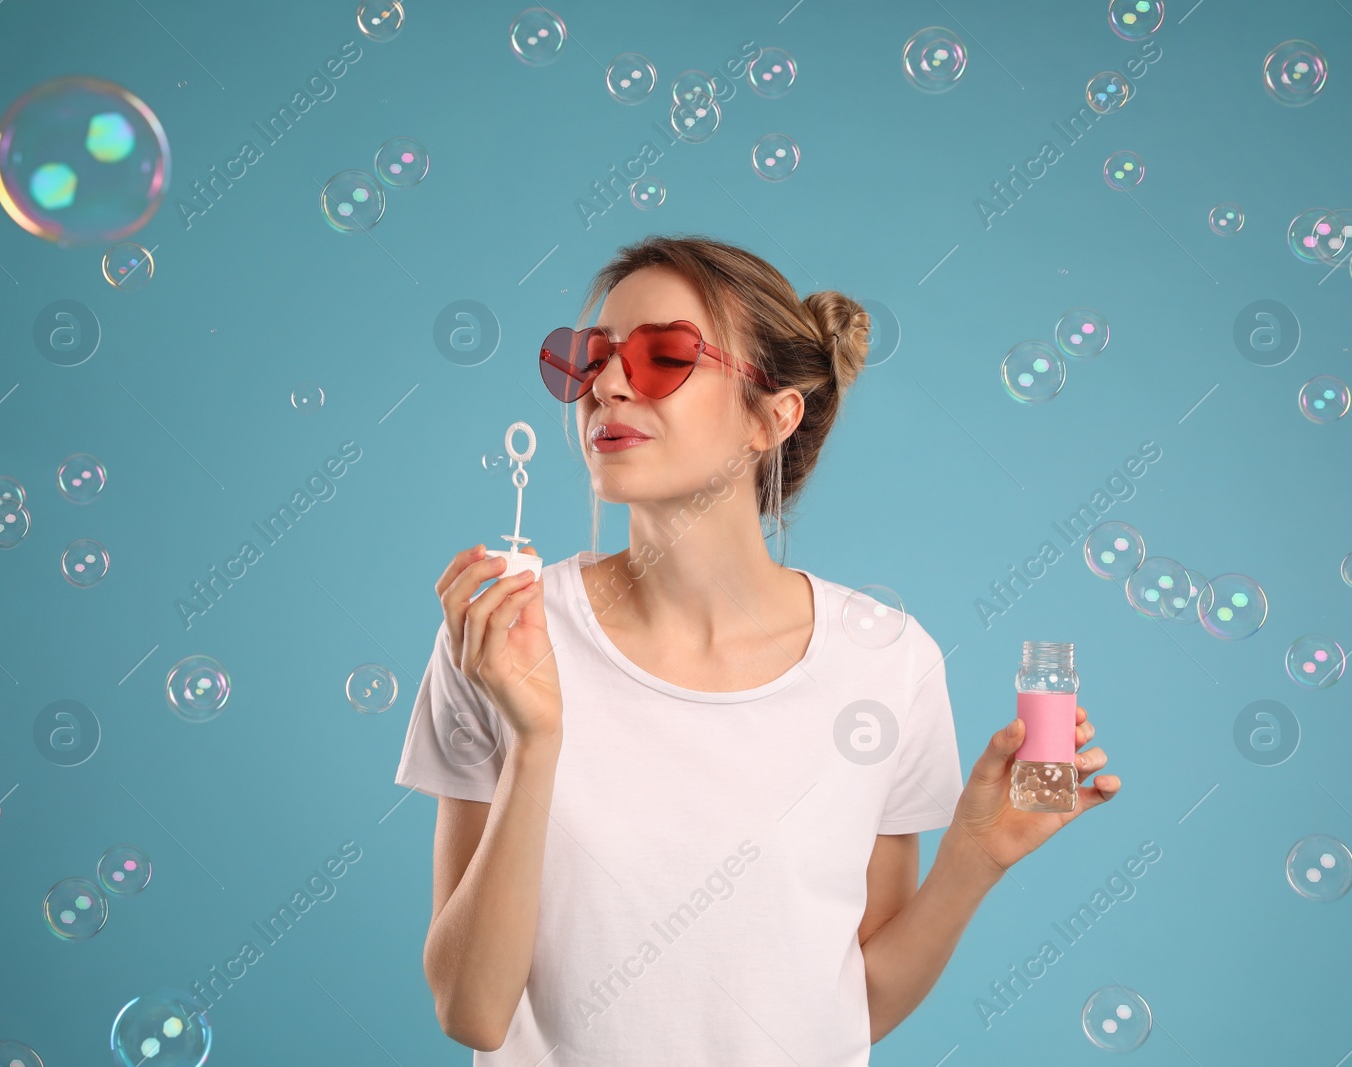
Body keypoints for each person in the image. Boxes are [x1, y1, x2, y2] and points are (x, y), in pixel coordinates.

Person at [394, 234, 1120, 1065]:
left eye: (665, 355)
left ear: (773, 416)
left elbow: (854, 1004)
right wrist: (534, 742)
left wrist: (975, 859)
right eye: (590, 359)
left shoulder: (887, 664)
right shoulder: (504, 633)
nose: (610, 385)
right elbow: (471, 1012)